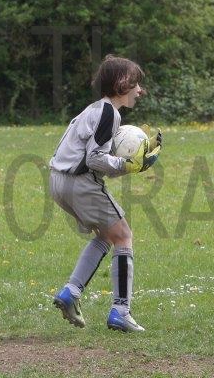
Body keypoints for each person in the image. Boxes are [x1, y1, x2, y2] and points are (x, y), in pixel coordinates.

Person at [49, 54, 162, 332]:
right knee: (123, 235)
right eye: (136, 83)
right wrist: (127, 164)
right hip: (80, 182)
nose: (140, 90)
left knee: (106, 234)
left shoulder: (94, 109)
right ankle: (121, 312)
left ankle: (70, 293)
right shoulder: (110, 113)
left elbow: (93, 156)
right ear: (122, 83)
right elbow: (95, 159)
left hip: (58, 181)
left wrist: (131, 161)